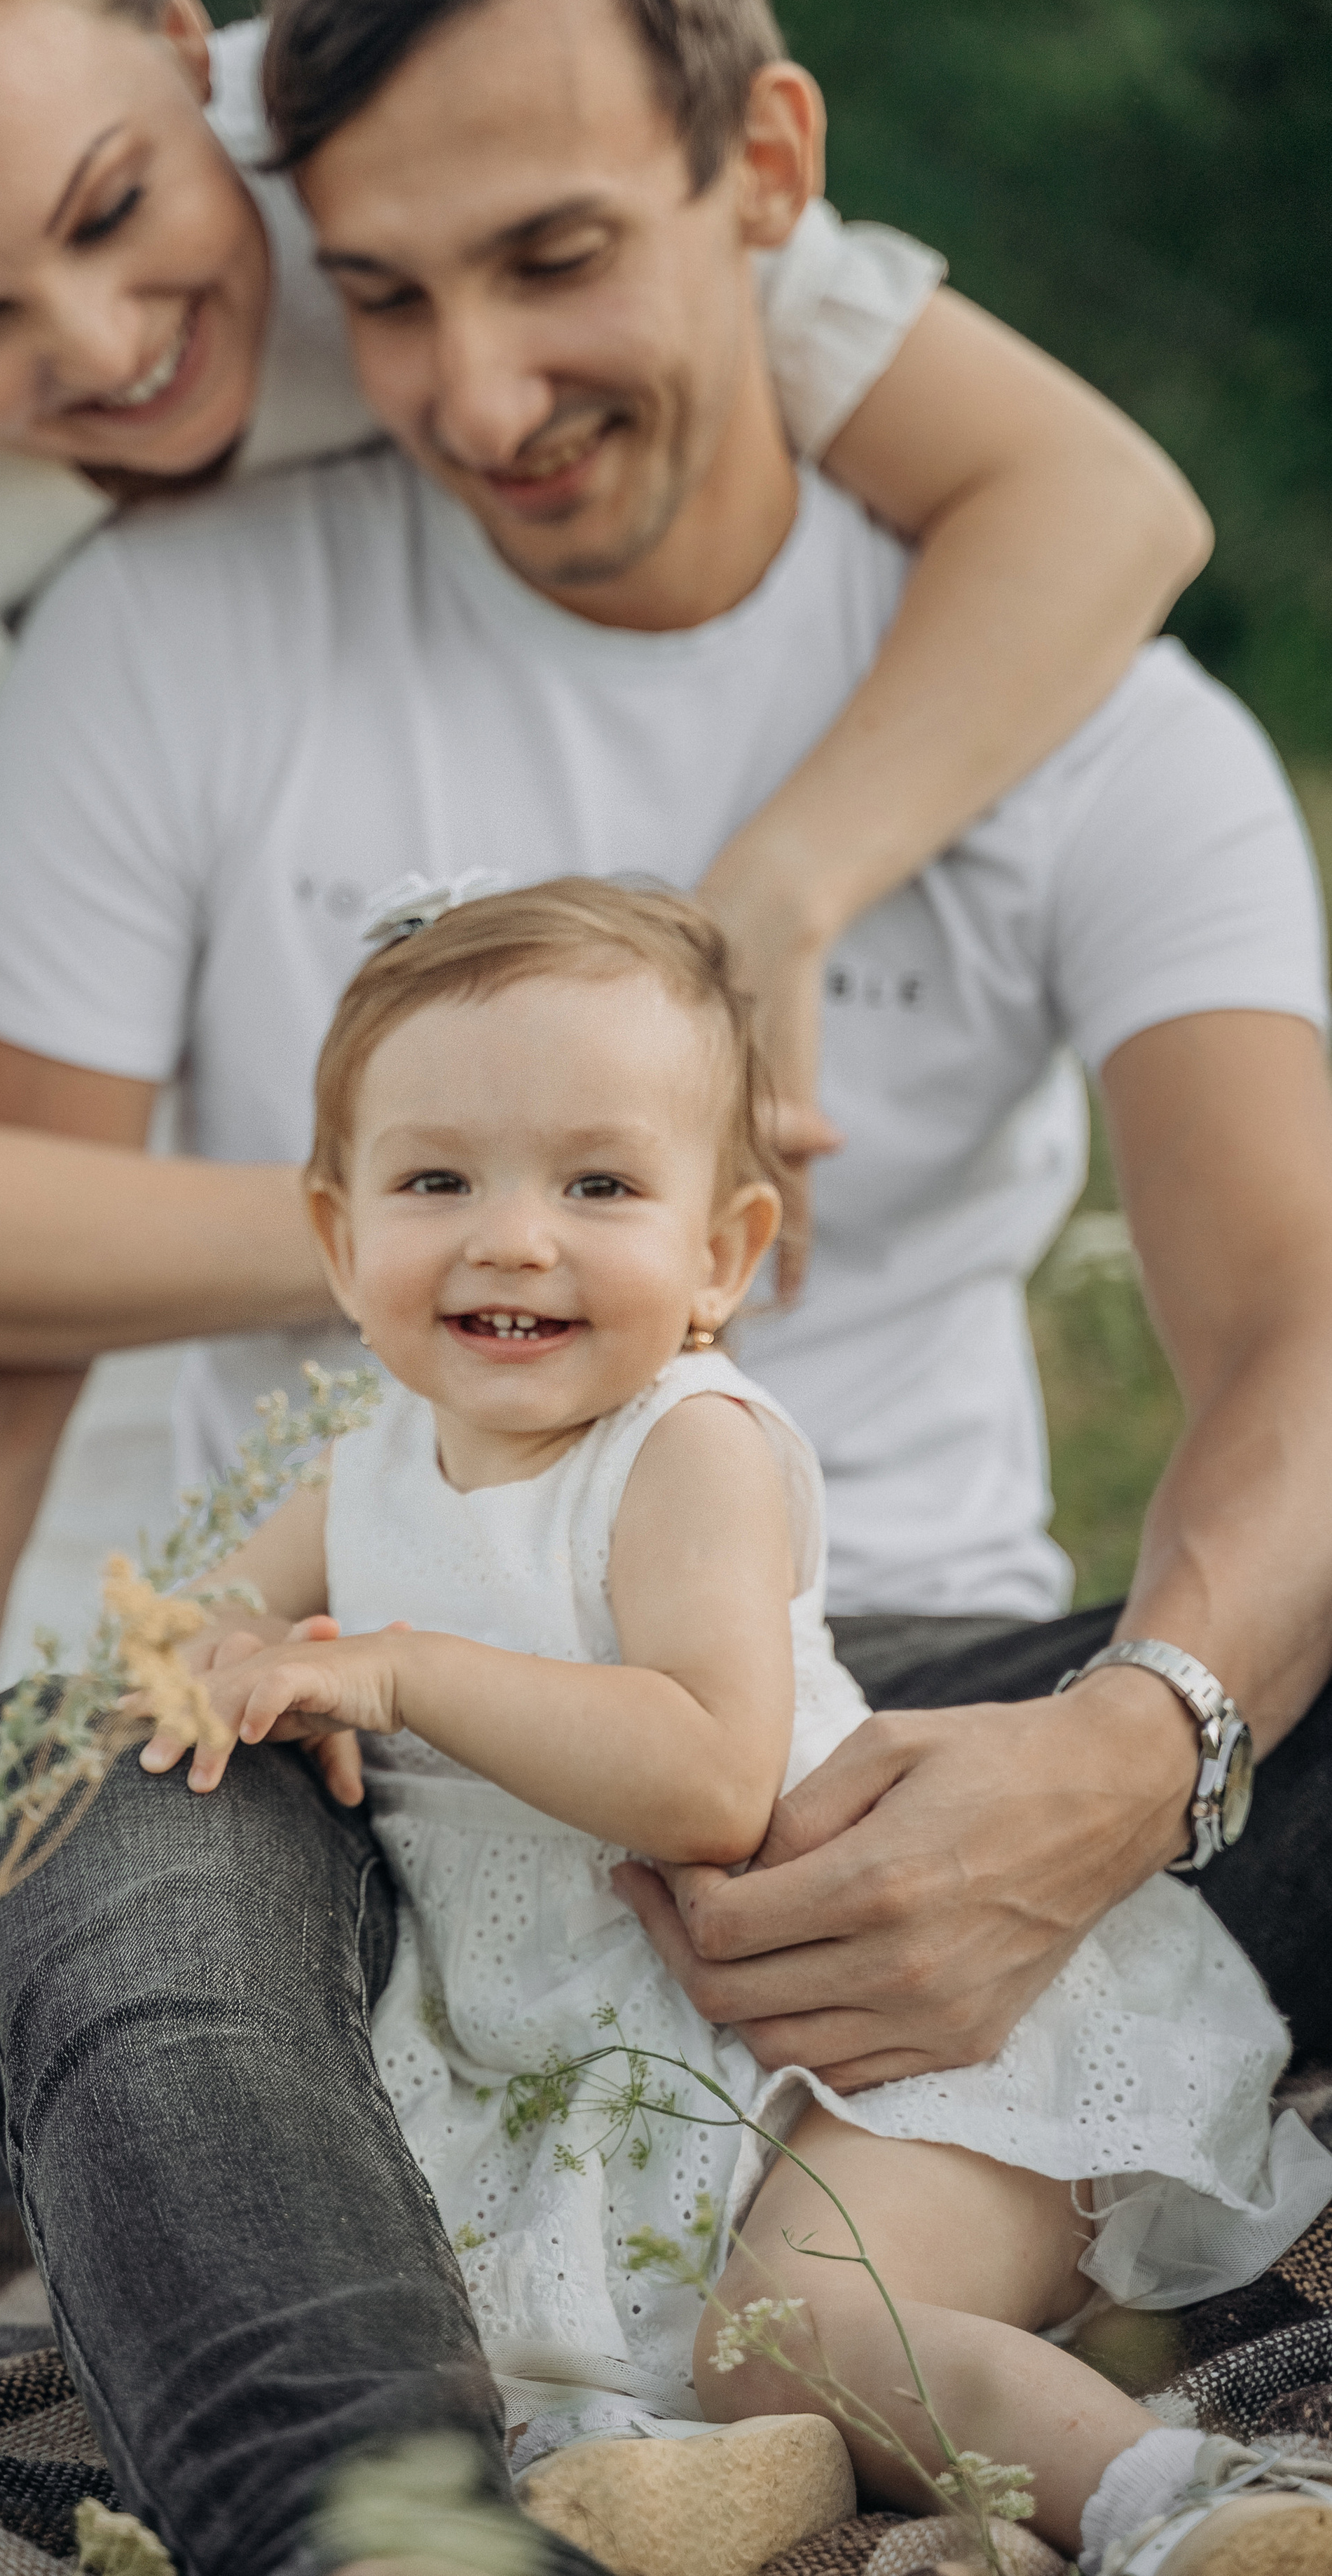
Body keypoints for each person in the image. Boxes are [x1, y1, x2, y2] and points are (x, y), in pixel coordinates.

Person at [0, 0, 1208, 2247]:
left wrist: (780, 897)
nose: (108, 345)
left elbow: (1104, 500)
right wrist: (462, 1231)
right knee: (123, 1799)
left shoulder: (423, 177)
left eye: (123, 212)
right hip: (230, 1390)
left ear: (186, 46)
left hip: (570, 1393)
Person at [0, 0, 1332, 2565]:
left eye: (557, 256)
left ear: (768, 164)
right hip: (382, 1767)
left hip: (922, 1676)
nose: (477, 389)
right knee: (94, 1794)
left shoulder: (1102, 727)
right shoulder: (176, 643)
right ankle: (385, 2516)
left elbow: (1302, 1329)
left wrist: (1123, 1761)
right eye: (388, 294)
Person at [137, 872, 1332, 2575]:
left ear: (721, 1254)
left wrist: (386, 1674)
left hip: (864, 2050)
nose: (512, 1234)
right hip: (571, 2080)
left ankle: (1183, 2509)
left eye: (598, 1183)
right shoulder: (363, 1468)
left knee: (799, 2321)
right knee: (522, 2366)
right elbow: (198, 1634)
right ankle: (721, 2485)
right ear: (338, 1240)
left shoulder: (684, 1444)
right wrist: (232, 1673)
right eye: (434, 1181)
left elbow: (702, 1777)